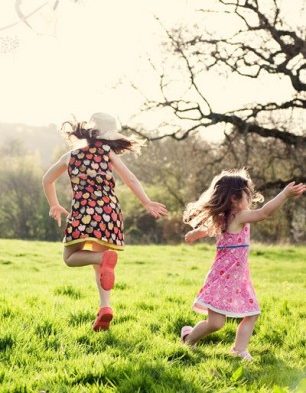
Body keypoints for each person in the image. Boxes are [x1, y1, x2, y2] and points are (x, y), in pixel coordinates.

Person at [42, 112, 168, 332]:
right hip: (109, 213)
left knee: (70, 258)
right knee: (101, 265)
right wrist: (146, 202)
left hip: (83, 213)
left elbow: (47, 179)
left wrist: (54, 204)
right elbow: (130, 178)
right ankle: (105, 307)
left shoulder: (71, 156)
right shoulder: (107, 151)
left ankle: (103, 262)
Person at [181, 168, 305, 361]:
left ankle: (239, 350)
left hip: (239, 278)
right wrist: (285, 195)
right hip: (223, 278)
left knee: (252, 313)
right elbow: (265, 213)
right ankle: (188, 339)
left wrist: (195, 234)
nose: (250, 199)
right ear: (234, 198)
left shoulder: (228, 217)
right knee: (216, 323)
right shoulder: (237, 216)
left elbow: (206, 230)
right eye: (248, 195)